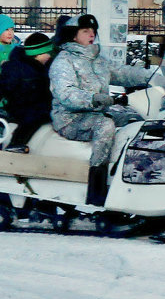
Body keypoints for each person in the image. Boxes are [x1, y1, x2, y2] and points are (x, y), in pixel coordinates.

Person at [49, 14, 152, 206]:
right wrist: (94, 99)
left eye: (93, 31)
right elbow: (66, 93)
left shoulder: (97, 59)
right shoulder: (63, 61)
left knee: (136, 119)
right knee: (105, 126)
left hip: (97, 111)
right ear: (73, 35)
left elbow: (122, 73)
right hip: (70, 118)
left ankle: (136, 177)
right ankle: (97, 189)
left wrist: (153, 76)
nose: (91, 35)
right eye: (85, 31)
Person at [0, 32, 54, 152]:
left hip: (38, 105)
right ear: (36, 53)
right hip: (19, 108)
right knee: (35, 115)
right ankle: (16, 143)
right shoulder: (16, 69)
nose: (49, 56)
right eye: (46, 53)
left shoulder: (42, 67)